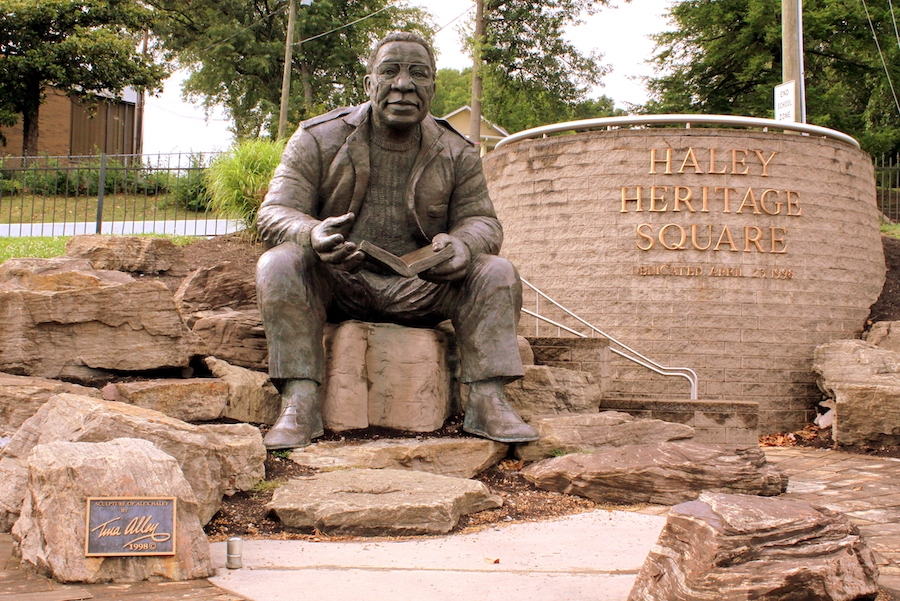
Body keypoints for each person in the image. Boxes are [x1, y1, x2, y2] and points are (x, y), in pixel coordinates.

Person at [255, 31, 538, 449]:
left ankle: (488, 401)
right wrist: (312, 233)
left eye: (417, 74)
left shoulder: (457, 150)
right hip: (340, 283)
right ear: (369, 83)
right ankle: (300, 401)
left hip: (424, 287)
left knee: (496, 270)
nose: (403, 84)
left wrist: (463, 246)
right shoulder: (318, 138)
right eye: (390, 72)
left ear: (432, 88)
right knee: (279, 263)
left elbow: (482, 221)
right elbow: (273, 212)